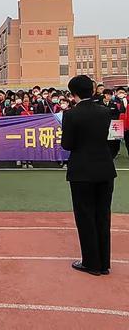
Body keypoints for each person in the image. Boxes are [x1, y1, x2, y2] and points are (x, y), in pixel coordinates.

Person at [61, 75, 117, 276]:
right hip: (104, 168)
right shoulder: (105, 112)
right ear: (92, 90)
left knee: (85, 216)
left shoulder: (71, 115)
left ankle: (91, 263)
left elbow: (67, 144)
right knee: (103, 215)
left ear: (72, 93)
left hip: (82, 171)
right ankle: (103, 263)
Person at [99, 89, 121, 159]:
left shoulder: (113, 105)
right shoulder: (98, 104)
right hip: (101, 125)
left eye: (111, 95)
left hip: (112, 125)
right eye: (108, 95)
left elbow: (117, 114)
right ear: (104, 95)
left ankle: (113, 154)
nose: (109, 96)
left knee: (113, 141)